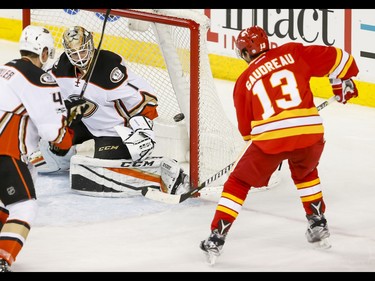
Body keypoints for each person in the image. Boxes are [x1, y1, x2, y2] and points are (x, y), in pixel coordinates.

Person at [199, 25, 359, 265]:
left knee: (239, 181)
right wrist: (342, 83)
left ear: (244, 54)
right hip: (310, 132)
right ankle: (317, 222)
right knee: (306, 172)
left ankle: (217, 236)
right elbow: (342, 59)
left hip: (270, 139)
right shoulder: (293, 53)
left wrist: (270, 156)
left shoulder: (243, 81)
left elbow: (247, 132)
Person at [39, 25, 189, 197]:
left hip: (113, 131)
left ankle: (163, 174)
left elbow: (147, 98)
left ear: (90, 45)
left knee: (102, 172)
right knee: (49, 146)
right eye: (74, 54)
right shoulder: (62, 67)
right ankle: (65, 159)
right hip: (85, 123)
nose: (79, 58)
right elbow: (44, 86)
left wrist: (143, 130)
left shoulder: (109, 69)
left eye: (83, 51)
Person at [0, 25, 86, 272]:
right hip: (5, 151)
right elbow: (52, 133)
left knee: (5, 203)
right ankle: (2, 259)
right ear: (45, 52)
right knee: (24, 206)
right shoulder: (41, 78)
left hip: (11, 153)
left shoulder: (5, 68)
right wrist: (67, 133)